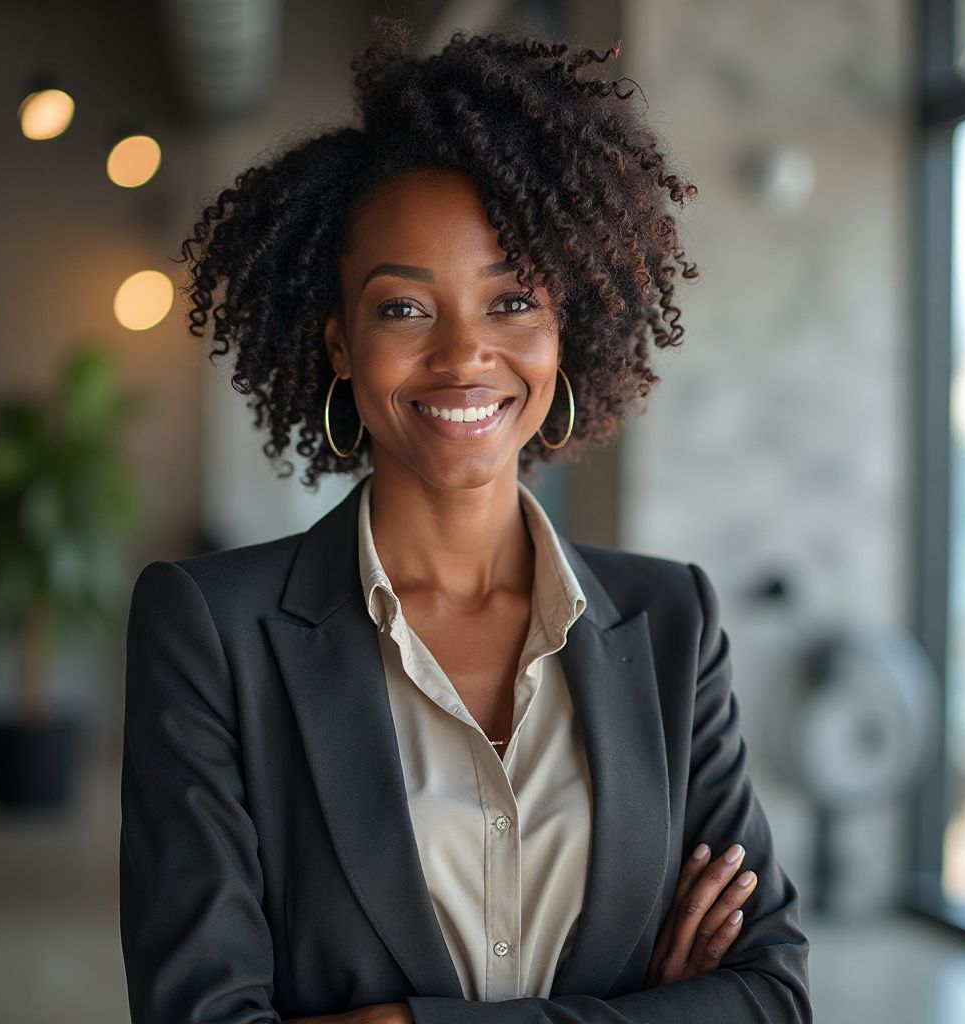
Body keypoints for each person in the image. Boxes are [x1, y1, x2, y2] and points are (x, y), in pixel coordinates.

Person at [119, 16, 811, 1024]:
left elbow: (769, 996)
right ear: (341, 342)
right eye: (404, 308)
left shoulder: (671, 622)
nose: (462, 355)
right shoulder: (210, 632)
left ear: (565, 328)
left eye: (512, 300)